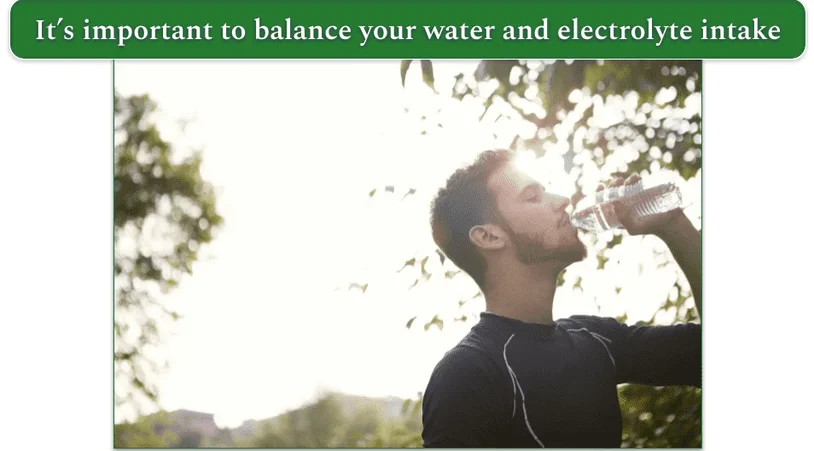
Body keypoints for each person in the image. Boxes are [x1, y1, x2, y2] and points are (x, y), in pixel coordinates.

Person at [422, 149, 701, 448]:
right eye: (532, 197)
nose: (563, 201)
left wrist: (673, 225)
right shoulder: (467, 373)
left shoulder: (595, 338)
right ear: (489, 237)